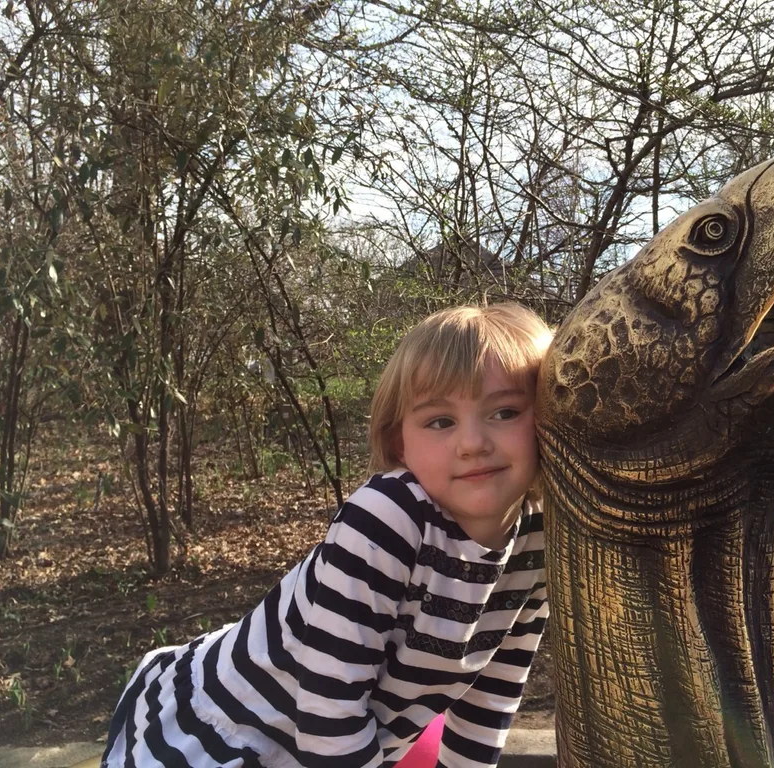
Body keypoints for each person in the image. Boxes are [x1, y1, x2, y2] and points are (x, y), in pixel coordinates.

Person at [101, 303, 553, 768]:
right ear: (400, 443)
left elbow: (497, 686)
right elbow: (329, 705)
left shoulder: (540, 538)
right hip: (238, 727)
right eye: (441, 421)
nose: (472, 442)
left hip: (347, 735)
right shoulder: (389, 518)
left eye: (504, 411)